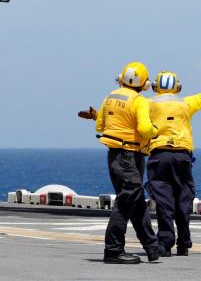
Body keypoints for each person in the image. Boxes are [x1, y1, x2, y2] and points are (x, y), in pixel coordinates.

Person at [146, 57, 201, 256]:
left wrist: (97, 115)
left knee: (164, 201)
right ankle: (184, 242)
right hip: (182, 157)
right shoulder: (186, 103)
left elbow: (125, 113)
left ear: (155, 87)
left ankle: (165, 243)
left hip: (159, 156)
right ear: (177, 87)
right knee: (183, 199)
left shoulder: (147, 104)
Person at [79, 61, 161, 264]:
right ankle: (113, 250)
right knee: (126, 203)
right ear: (143, 82)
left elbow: (100, 124)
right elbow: (144, 129)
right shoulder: (140, 101)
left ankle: (152, 247)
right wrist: (155, 131)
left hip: (114, 155)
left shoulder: (110, 97)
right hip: (130, 156)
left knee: (136, 201)